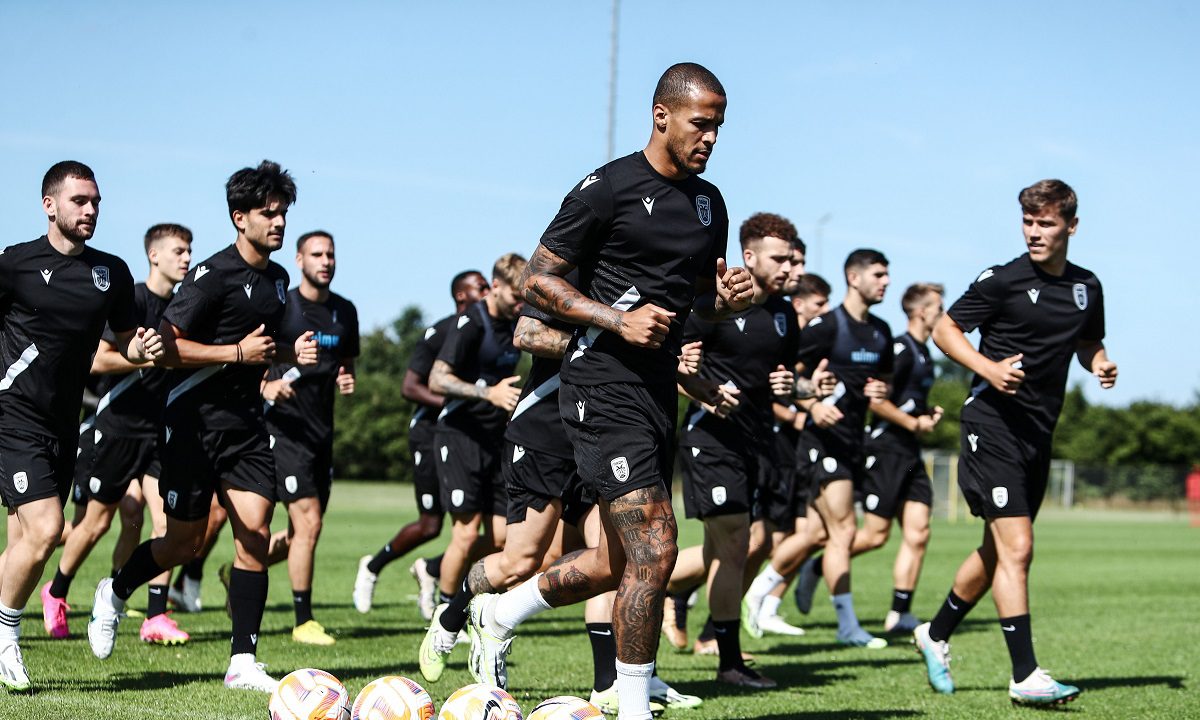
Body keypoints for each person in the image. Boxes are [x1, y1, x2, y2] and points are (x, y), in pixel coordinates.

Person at [468, 62, 753, 720]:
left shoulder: (710, 203)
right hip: (599, 382)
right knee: (657, 544)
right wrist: (616, 320)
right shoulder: (609, 188)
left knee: (614, 560)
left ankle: (500, 614)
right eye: (701, 124)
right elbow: (538, 280)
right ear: (662, 115)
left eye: (719, 127)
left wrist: (731, 302)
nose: (711, 138)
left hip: (657, 392)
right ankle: (632, 707)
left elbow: (700, 304)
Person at [87, 160, 318, 693]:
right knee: (182, 543)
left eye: (283, 213)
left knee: (254, 535)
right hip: (192, 423)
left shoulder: (278, 280)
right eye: (269, 213)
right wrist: (236, 353)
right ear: (240, 217)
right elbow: (165, 349)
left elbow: (261, 348)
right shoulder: (211, 276)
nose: (279, 222)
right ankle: (113, 591)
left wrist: (291, 352)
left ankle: (242, 662)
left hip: (246, 427)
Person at [915, 179, 1114, 706]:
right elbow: (946, 330)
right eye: (1028, 221)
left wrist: (1100, 364)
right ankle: (1025, 675)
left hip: (1037, 433)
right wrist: (988, 368)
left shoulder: (1086, 286)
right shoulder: (1002, 279)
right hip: (992, 424)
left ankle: (933, 633)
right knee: (1018, 548)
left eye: (1046, 223)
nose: (1034, 232)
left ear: (1072, 226)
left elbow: (1088, 342)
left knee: (998, 550)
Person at [0, 161, 162, 693]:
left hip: (64, 423)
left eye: (95, 201)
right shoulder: (15, 264)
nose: (90, 209)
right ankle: (6, 638)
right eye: (79, 201)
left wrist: (142, 348)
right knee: (48, 529)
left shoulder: (111, 272)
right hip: (13, 415)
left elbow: (125, 342)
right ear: (49, 205)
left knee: (26, 542)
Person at [41, 224, 193, 646]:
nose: (186, 258)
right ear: (154, 255)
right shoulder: (135, 300)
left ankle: (155, 615)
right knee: (95, 523)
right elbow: (98, 360)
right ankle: (56, 592)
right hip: (116, 428)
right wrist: (144, 358)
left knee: (165, 523)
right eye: (178, 251)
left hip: (159, 431)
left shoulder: (183, 307)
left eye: (189, 250)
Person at [674, 212, 803, 688]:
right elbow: (672, 365)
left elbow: (785, 380)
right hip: (712, 439)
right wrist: (703, 392)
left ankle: (663, 590)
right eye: (780, 258)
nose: (790, 267)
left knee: (735, 547)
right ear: (749, 256)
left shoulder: (785, 314)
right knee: (734, 543)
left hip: (758, 442)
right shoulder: (716, 302)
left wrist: (794, 387)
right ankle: (727, 660)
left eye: (792, 259)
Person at [750, 250, 894, 649]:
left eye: (887, 275)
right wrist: (813, 405)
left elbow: (884, 383)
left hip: (853, 441)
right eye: (878, 274)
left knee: (814, 534)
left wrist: (882, 390)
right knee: (843, 530)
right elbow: (786, 377)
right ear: (853, 277)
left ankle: (759, 591)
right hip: (821, 442)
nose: (885, 281)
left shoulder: (882, 331)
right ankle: (847, 625)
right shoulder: (826, 326)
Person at [353, 270, 490, 618]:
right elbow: (410, 387)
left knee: (489, 528)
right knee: (431, 525)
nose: (489, 291)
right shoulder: (441, 332)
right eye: (481, 287)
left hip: (472, 435)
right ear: (461, 296)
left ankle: (433, 571)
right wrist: (458, 403)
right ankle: (372, 566)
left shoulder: (491, 333)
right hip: (430, 433)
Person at [254, 230, 359, 646]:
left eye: (330, 254)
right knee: (309, 523)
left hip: (321, 434)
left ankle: (241, 570)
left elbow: (345, 361)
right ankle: (303, 621)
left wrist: (346, 378)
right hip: (283, 430)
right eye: (317, 254)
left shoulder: (345, 311)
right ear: (299, 260)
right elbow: (255, 354)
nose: (326, 261)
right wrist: (265, 387)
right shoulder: (283, 306)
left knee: (303, 533)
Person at [427, 254, 525, 619]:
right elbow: (436, 379)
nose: (521, 304)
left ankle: (434, 569)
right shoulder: (470, 323)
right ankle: (444, 616)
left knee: (502, 537)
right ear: (495, 285)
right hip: (459, 435)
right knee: (466, 534)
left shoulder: (515, 323)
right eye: (515, 296)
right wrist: (489, 394)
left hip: (495, 439)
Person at [851, 282, 945, 633]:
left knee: (919, 533)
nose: (943, 314)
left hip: (910, 453)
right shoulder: (901, 349)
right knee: (875, 536)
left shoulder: (924, 353)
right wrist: (912, 422)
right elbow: (875, 401)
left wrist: (927, 416)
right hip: (886, 449)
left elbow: (908, 403)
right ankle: (816, 566)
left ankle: (900, 613)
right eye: (938, 308)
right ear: (921, 312)